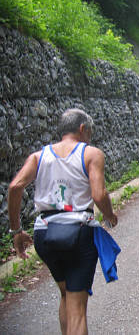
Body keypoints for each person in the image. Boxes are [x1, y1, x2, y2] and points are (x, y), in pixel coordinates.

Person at [8, 108, 118, 335]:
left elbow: (15, 186)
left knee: (66, 294)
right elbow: (98, 195)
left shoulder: (39, 156)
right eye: (90, 132)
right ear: (82, 129)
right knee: (77, 307)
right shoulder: (91, 154)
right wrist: (110, 216)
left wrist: (16, 230)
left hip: (45, 234)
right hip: (78, 233)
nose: (90, 138)